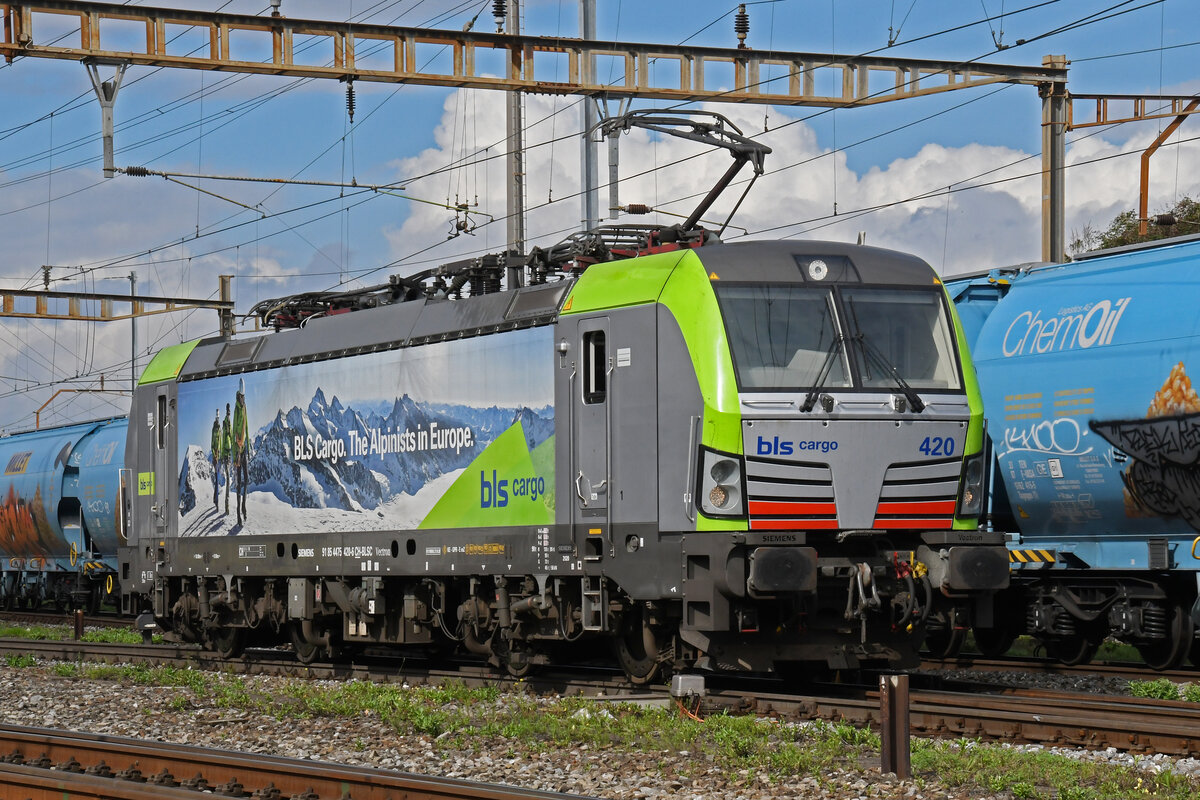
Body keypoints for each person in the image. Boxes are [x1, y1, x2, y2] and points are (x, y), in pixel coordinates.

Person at [233, 378, 249, 526]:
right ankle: (238, 512)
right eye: (242, 396)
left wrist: (248, 447)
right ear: (239, 396)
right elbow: (234, 432)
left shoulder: (244, 408)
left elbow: (247, 428)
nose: (243, 398)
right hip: (238, 451)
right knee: (239, 483)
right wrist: (234, 454)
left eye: (244, 396)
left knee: (247, 479)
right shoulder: (237, 409)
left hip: (244, 450)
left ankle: (244, 506)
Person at [221, 403, 233, 515]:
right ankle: (227, 505)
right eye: (228, 412)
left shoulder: (227, 424)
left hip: (227, 455)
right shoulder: (226, 425)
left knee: (229, 479)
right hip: (226, 456)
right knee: (228, 479)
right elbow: (225, 440)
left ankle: (227, 504)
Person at [209, 409, 221, 511]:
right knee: (217, 478)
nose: (218, 421)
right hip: (216, 458)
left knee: (218, 478)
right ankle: (216, 501)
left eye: (218, 419)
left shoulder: (219, 430)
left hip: (219, 457)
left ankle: (215, 499)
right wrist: (215, 455)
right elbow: (212, 445)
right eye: (217, 419)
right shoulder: (214, 431)